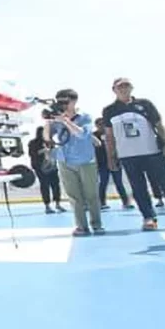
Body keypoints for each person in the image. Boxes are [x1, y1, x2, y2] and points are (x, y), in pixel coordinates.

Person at [102, 78, 165, 231]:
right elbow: (109, 136)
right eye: (120, 87)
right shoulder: (109, 110)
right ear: (114, 90)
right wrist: (111, 156)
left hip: (152, 152)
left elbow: (159, 125)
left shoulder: (145, 104)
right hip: (128, 156)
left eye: (126, 85)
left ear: (131, 87)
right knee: (138, 188)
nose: (123, 89)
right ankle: (149, 217)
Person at [46, 89, 103, 235]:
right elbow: (48, 137)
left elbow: (82, 134)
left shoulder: (84, 117)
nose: (62, 105)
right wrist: (48, 122)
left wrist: (66, 121)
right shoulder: (56, 119)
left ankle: (96, 224)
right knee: (74, 196)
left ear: (74, 101)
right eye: (60, 102)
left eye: (65, 102)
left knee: (91, 195)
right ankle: (81, 226)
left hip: (85, 160)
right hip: (65, 160)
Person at [93, 118, 131, 210]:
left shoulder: (112, 134)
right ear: (96, 125)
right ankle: (102, 202)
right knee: (103, 183)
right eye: (99, 124)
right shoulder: (94, 135)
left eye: (103, 124)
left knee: (119, 182)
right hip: (102, 163)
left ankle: (126, 202)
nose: (102, 126)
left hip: (115, 162)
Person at [28, 126, 65, 213]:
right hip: (40, 167)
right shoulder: (33, 143)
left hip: (52, 165)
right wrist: (44, 150)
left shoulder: (50, 141)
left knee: (55, 184)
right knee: (45, 185)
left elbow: (55, 152)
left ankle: (58, 203)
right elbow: (32, 154)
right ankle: (47, 205)